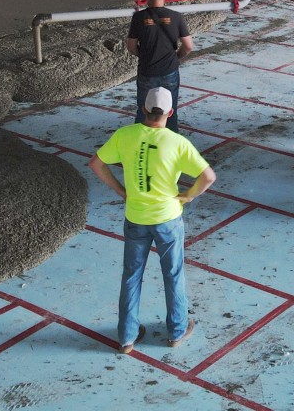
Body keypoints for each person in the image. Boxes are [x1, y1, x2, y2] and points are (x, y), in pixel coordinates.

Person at [89, 87, 216, 354]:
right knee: (173, 274)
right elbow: (208, 177)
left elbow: (96, 164)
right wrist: (188, 196)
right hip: (167, 218)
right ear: (170, 112)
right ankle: (177, 331)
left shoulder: (125, 135)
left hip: (135, 216)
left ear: (143, 110)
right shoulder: (177, 143)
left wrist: (119, 190)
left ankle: (127, 337)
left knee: (131, 276)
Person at [127, 0, 193, 133]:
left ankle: (138, 143)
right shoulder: (176, 17)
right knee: (170, 111)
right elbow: (188, 46)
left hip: (147, 71)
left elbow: (131, 46)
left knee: (143, 110)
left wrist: (143, 55)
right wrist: (176, 58)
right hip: (169, 71)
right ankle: (170, 146)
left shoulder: (138, 17)